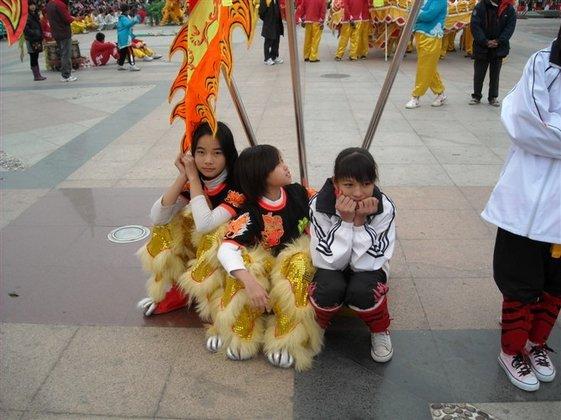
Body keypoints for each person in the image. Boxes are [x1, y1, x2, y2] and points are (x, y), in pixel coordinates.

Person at [481, 25, 561, 392]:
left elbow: (544, 128)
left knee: (556, 282)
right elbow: (525, 125)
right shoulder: (542, 64)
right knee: (519, 281)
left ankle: (536, 343)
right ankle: (512, 349)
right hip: (524, 200)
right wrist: (546, 129)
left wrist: (552, 126)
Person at [212, 145, 322, 371]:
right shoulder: (251, 211)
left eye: (282, 160)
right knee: (245, 265)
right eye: (278, 164)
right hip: (265, 274)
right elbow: (226, 249)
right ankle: (240, 331)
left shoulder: (298, 193)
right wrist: (250, 283)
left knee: (300, 262)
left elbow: (325, 205)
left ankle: (286, 338)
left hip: (291, 272)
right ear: (261, 175)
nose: (285, 166)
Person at [137, 122, 243, 317]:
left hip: (234, 257)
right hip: (203, 252)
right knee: (165, 227)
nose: (208, 160)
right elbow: (158, 216)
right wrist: (183, 176)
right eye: (201, 152)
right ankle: (181, 287)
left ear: (228, 155)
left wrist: (193, 178)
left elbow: (205, 225)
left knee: (213, 235)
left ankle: (213, 298)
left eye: (217, 153)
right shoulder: (196, 180)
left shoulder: (237, 186)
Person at [308, 148, 396, 363]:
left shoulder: (384, 207)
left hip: (369, 266)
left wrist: (359, 224)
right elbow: (328, 261)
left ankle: (379, 329)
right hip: (331, 266)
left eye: (366, 184)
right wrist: (346, 223)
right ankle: (317, 326)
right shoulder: (320, 205)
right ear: (335, 182)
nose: (358, 193)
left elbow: (367, 264)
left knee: (363, 289)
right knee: (328, 288)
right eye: (349, 185)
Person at [469, 0, 516, 106]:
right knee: (479, 73)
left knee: (495, 74)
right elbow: (475, 25)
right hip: (481, 46)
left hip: (499, 47)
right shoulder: (480, 6)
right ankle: (476, 96)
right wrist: (484, 41)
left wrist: (499, 41)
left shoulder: (508, 8)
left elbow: (510, 28)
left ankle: (493, 97)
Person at [405, 0, 448, 109]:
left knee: (424, 67)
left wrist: (415, 13)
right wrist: (415, 12)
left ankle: (416, 96)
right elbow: (410, 10)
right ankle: (440, 93)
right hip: (421, 35)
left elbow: (428, 15)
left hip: (431, 37)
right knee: (429, 68)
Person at [45, 0, 77, 82]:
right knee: (66, 54)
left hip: (55, 32)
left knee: (62, 53)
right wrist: (73, 18)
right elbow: (67, 19)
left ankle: (64, 73)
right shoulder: (60, 4)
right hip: (64, 32)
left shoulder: (49, 4)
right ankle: (66, 75)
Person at [24, 1, 47, 81]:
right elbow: (26, 29)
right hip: (31, 40)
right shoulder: (26, 16)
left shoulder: (35, 14)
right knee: (33, 56)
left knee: (36, 56)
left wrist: (40, 35)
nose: (32, 6)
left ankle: (38, 74)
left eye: (33, 5)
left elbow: (39, 26)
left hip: (36, 39)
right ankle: (36, 75)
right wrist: (35, 32)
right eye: (30, 5)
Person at [259, 0, 284, 65]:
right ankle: (267, 58)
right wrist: (267, 19)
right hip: (269, 23)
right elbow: (261, 12)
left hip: (277, 22)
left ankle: (274, 56)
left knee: (276, 40)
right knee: (268, 41)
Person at [116, 4, 140, 71]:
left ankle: (120, 65)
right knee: (130, 51)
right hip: (125, 37)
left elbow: (127, 25)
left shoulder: (122, 17)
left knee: (123, 52)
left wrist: (133, 21)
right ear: (127, 10)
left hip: (122, 36)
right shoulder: (123, 18)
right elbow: (127, 25)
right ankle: (132, 65)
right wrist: (134, 21)